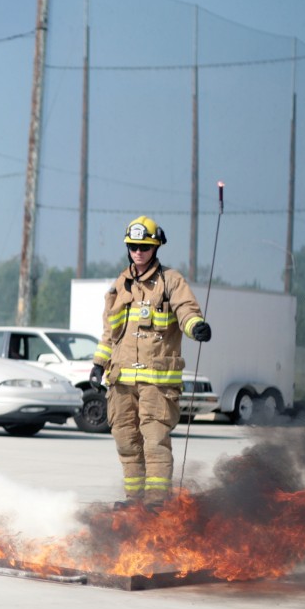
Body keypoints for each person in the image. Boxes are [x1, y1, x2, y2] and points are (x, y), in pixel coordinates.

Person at [89, 216, 212, 509]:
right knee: (126, 442)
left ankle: (157, 505)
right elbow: (110, 331)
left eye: (144, 246)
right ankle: (135, 502)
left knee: (155, 441)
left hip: (156, 382)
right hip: (120, 382)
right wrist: (98, 364)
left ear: (156, 247)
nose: (138, 252)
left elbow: (186, 309)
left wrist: (195, 326)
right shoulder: (121, 285)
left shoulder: (171, 280)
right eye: (133, 246)